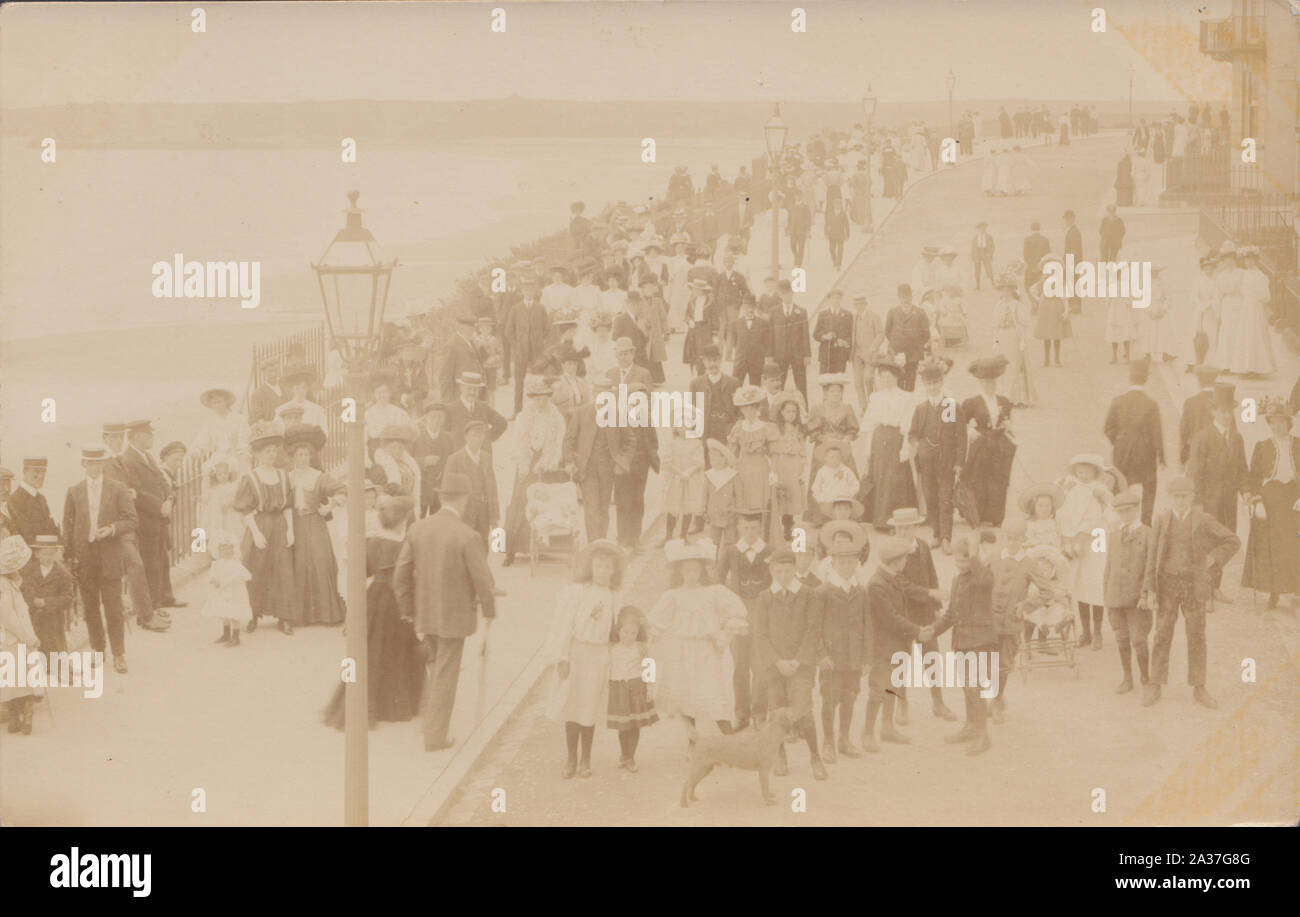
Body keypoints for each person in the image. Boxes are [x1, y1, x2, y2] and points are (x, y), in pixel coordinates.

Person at [394, 472, 498, 752]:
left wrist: (407, 610)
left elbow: (400, 575)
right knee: (445, 674)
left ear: (441, 497)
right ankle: (435, 736)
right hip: (454, 618)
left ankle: (430, 725)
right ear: (463, 499)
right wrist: (489, 610)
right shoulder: (468, 535)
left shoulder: (418, 529)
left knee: (434, 668)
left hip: (424, 615)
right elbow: (483, 581)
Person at [1143, 476, 1240, 708]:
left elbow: (1232, 540)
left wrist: (1212, 559)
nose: (1180, 500)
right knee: (1161, 634)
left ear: (1192, 496)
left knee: (1196, 636)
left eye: (1184, 495)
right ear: (1171, 497)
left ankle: (1199, 687)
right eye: (1176, 496)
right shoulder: (1162, 519)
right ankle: (1155, 684)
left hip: (1193, 586)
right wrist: (1149, 588)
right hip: (1167, 585)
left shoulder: (1203, 519)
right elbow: (1152, 556)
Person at [648, 538, 748, 738]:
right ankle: (694, 742)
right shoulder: (673, 596)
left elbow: (738, 612)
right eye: (687, 570)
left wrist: (722, 634)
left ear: (702, 571)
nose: (691, 574)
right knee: (687, 696)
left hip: (707, 651)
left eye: (695, 570)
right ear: (680, 573)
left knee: (714, 692)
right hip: (683, 652)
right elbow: (655, 622)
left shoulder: (713, 593)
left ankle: (728, 739)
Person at [543, 540, 625, 778]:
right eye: (598, 566)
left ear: (613, 570)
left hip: (598, 656)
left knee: (589, 707)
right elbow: (562, 627)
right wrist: (562, 658)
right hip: (577, 652)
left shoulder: (615, 596)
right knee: (572, 706)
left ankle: (586, 760)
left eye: (606, 566)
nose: (602, 571)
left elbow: (618, 630)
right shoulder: (576, 593)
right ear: (591, 567)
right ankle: (571, 759)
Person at [62, 444, 140, 673]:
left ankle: (119, 654)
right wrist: (70, 555)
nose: (94, 467)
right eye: (89, 462)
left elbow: (131, 519)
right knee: (91, 608)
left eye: (98, 462)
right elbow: (68, 524)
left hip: (110, 555)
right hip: (85, 557)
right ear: (83, 464)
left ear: (103, 464)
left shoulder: (117, 488)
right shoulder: (74, 491)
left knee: (113, 607)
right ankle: (98, 651)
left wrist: (112, 529)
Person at [752, 546, 828, 780]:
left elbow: (813, 631)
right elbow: (760, 635)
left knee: (803, 711)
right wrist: (777, 661)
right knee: (776, 712)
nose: (783, 576)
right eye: (778, 571)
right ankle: (780, 755)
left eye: (787, 570)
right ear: (772, 571)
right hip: (775, 668)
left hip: (801, 665)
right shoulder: (765, 598)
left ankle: (815, 757)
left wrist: (798, 660)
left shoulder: (808, 595)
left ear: (795, 569)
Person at [861, 536, 936, 750]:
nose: (905, 562)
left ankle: (887, 727)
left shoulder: (892, 577)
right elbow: (890, 617)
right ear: (895, 561)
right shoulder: (877, 584)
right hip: (883, 646)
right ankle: (867, 732)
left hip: (898, 643)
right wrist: (917, 631)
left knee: (892, 685)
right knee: (878, 689)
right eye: (904, 559)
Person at [931, 534, 995, 754]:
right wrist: (933, 630)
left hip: (979, 642)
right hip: (962, 641)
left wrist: (975, 555)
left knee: (974, 687)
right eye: (958, 561)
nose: (961, 565)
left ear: (975, 560)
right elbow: (950, 614)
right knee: (967, 687)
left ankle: (982, 735)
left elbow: (983, 580)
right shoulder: (957, 580)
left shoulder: (984, 576)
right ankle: (970, 726)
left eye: (965, 561)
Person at [235, 422, 299, 635]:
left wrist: (290, 530)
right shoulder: (250, 478)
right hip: (259, 525)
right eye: (267, 451)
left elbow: (288, 505)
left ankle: (285, 617)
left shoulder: (283, 475)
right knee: (256, 568)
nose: (271, 455)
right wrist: (255, 532)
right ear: (257, 454)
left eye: (274, 451)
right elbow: (245, 509)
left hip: (280, 524)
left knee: (283, 569)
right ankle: (253, 615)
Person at [814, 521, 869, 760]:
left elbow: (868, 628)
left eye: (851, 562)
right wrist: (821, 655)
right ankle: (827, 741)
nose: (847, 567)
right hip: (831, 658)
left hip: (853, 656)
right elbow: (813, 629)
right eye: (842, 562)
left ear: (857, 563)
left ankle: (844, 738)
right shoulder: (823, 592)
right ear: (833, 564)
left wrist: (866, 658)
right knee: (830, 699)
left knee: (850, 697)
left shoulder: (861, 591)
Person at [715, 511, 772, 731]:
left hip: (761, 615)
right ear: (739, 528)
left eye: (754, 528)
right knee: (740, 666)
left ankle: (760, 713)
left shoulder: (769, 552)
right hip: (737, 615)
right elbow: (718, 581)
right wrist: (724, 612)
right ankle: (742, 713)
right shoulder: (731, 551)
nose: (750, 532)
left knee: (760, 666)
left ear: (760, 529)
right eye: (746, 528)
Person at [1241, 397, 1300, 608]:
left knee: (1294, 544)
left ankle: (1296, 587)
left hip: (1294, 499)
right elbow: (1253, 477)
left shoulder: (1298, 444)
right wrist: (1255, 499)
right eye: (1273, 421)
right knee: (1272, 546)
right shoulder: (1262, 446)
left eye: (1281, 421)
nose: (1277, 426)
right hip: (1271, 499)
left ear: (1288, 422)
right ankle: (1273, 592)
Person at [502, 377, 567, 566]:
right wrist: (524, 461)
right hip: (527, 462)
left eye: (544, 398)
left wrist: (550, 460)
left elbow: (558, 443)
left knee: (544, 502)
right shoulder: (524, 416)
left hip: (546, 464)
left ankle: (543, 546)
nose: (541, 401)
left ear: (548, 398)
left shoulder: (556, 417)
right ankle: (511, 550)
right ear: (533, 399)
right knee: (520, 501)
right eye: (537, 398)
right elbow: (517, 441)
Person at [286, 434, 345, 626]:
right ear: (292, 457)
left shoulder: (318, 476)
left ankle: (326, 613)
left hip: (315, 522)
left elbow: (341, 490)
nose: (304, 458)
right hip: (294, 523)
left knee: (320, 561)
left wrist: (329, 507)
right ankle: (300, 615)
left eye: (307, 454)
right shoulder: (288, 477)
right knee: (299, 564)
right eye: (300, 455)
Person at [1186, 384, 1247, 565]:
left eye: (1230, 412)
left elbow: (1242, 470)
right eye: (1222, 412)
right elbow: (1194, 474)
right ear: (1213, 411)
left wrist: (1247, 493)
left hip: (1229, 503)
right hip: (1209, 504)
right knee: (1208, 544)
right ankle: (1208, 588)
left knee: (1225, 543)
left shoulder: (1237, 438)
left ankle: (1215, 587)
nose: (1227, 416)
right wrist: (1196, 504)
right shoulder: (1202, 437)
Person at [909, 355, 965, 553]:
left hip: (945, 460)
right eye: (929, 383)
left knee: (945, 498)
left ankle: (946, 537)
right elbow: (914, 433)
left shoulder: (949, 405)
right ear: (924, 384)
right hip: (926, 460)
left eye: (936, 382)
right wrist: (918, 445)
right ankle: (935, 533)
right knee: (930, 497)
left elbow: (956, 435)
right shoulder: (921, 408)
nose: (933, 387)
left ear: (942, 382)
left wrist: (958, 461)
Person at [1059, 454, 1112, 649]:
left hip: (1097, 537)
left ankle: (1098, 632)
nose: (1083, 475)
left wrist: (1103, 496)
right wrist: (1069, 538)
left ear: (1094, 473)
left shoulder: (1100, 490)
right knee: (1080, 584)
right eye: (1080, 472)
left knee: (1096, 584)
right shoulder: (1073, 490)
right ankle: (1086, 632)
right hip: (1078, 540)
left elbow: (1108, 511)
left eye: (1087, 472)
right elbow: (1065, 514)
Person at [1103, 489, 1153, 694]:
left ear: (1138, 509)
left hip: (1137, 598)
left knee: (1139, 640)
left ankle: (1146, 678)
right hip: (1116, 596)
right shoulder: (1113, 536)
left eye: (1129, 510)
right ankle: (1127, 678)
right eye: (1121, 511)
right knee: (1121, 638)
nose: (1125, 514)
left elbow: (1151, 567)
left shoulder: (1148, 534)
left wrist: (1146, 594)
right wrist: (1106, 594)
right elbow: (1109, 566)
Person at [1103, 359, 1165, 524]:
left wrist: (1119, 441)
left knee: (1120, 486)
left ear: (1130, 379)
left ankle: (1120, 521)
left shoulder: (1118, 401)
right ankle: (1146, 522)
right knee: (1149, 488)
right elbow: (1156, 433)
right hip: (1145, 455)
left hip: (1122, 453)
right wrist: (1161, 456)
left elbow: (1108, 428)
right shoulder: (1151, 404)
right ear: (1146, 380)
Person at [859, 357, 916, 530]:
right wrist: (868, 450)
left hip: (895, 439)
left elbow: (907, 424)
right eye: (882, 376)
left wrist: (905, 447)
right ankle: (880, 519)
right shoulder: (875, 397)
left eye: (889, 376)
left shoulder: (906, 397)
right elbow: (870, 425)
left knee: (894, 480)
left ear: (897, 377)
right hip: (878, 439)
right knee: (879, 478)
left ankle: (895, 519)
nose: (885, 380)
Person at [960, 355, 1016, 528]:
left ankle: (996, 516)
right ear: (980, 383)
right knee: (979, 479)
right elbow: (960, 424)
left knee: (999, 479)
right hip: (982, 445)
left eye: (992, 382)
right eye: (985, 382)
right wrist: (970, 431)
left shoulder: (1004, 401)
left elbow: (1007, 421)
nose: (989, 385)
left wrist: (1007, 425)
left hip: (999, 445)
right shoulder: (972, 402)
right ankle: (979, 514)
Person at [564, 380, 620, 544]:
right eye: (600, 394)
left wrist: (621, 462)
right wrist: (569, 461)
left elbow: (629, 441)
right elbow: (569, 440)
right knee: (591, 509)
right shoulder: (582, 413)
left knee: (603, 508)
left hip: (608, 470)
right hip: (586, 470)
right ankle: (593, 544)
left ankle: (601, 542)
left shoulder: (617, 415)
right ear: (594, 394)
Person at [607, 604, 657, 772]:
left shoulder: (641, 648)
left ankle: (631, 757)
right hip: (618, 689)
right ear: (618, 631)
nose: (629, 636)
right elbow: (607, 669)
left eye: (633, 633)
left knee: (635, 724)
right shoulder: (612, 649)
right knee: (623, 725)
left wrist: (650, 688)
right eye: (625, 632)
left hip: (637, 689)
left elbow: (649, 666)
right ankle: (623, 754)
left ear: (638, 634)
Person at [612, 381, 659, 551]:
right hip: (624, 468)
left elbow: (653, 440)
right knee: (623, 502)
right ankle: (623, 538)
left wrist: (649, 457)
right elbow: (614, 444)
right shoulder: (619, 418)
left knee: (638, 502)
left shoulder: (646, 419)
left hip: (641, 467)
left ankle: (635, 539)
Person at [0, 536, 39, 734]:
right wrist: (28, 637)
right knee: (16, 680)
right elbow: (9, 617)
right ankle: (18, 717)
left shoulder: (11, 584)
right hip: (12, 641)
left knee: (19, 680)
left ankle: (23, 718)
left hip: (17, 640)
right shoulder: (3, 586)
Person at [443, 419, 501, 547]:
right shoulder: (454, 459)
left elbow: (492, 486)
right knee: (464, 545)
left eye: (481, 435)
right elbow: (447, 489)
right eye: (474, 435)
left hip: (484, 510)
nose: (477, 439)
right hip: (464, 511)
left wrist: (495, 515)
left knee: (484, 544)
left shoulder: (486, 457)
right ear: (466, 437)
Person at [504, 277, 553, 415]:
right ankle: (517, 410)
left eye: (531, 290)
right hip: (521, 352)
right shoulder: (516, 308)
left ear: (534, 292)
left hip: (537, 352)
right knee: (519, 382)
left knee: (539, 381)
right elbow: (508, 331)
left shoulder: (540, 308)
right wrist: (516, 345)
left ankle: (538, 411)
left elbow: (548, 329)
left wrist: (540, 342)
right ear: (522, 292)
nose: (528, 292)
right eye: (526, 290)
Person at [20, 534, 74, 655]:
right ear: (37, 554)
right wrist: (32, 601)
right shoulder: (28, 571)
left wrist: (46, 602)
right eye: (45, 554)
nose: (48, 557)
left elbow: (68, 598)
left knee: (54, 652)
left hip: (53, 620)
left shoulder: (63, 574)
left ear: (55, 553)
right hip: (32, 617)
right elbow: (22, 591)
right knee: (33, 651)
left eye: (51, 554)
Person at [662, 411, 707, 542]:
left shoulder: (696, 443)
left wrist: (688, 472)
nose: (683, 428)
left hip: (690, 478)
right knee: (672, 506)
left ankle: (683, 535)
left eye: (686, 424)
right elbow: (667, 462)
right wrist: (679, 472)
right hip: (675, 478)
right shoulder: (672, 443)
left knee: (688, 506)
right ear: (675, 427)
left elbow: (699, 462)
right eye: (680, 425)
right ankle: (668, 536)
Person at [201, 533, 253, 647]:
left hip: (234, 592)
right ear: (218, 551)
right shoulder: (217, 563)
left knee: (234, 614)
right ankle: (226, 634)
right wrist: (213, 578)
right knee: (225, 613)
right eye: (223, 549)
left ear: (234, 551)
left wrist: (222, 582)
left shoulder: (236, 564)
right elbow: (213, 573)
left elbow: (237, 577)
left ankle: (236, 637)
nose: (226, 552)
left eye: (229, 549)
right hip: (223, 593)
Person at [769, 391, 807, 541]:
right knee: (778, 492)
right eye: (787, 411)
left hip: (794, 464)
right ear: (781, 412)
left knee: (791, 494)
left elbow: (802, 447)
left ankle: (788, 526)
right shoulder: (774, 428)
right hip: (780, 462)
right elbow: (771, 446)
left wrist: (803, 463)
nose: (790, 414)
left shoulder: (799, 429)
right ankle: (773, 526)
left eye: (793, 411)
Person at [994, 272, 1036, 405]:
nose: (1005, 292)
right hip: (1003, 337)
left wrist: (1023, 341)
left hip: (1015, 337)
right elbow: (995, 326)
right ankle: (1005, 396)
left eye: (1008, 289)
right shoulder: (998, 306)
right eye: (1002, 289)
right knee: (1004, 366)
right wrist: (995, 341)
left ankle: (1019, 398)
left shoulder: (1018, 305)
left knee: (1016, 366)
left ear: (1013, 289)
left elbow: (1023, 324)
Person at [412, 399, 454, 518]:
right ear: (426, 418)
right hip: (421, 489)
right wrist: (423, 461)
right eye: (433, 417)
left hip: (441, 490)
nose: (436, 420)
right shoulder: (416, 437)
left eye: (439, 417)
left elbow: (452, 463)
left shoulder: (449, 438)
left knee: (438, 523)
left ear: (444, 419)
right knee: (418, 522)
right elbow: (407, 461)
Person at [884, 284, 929, 392]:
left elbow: (926, 334)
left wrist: (916, 344)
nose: (905, 299)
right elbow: (887, 331)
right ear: (899, 297)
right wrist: (897, 344)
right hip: (897, 352)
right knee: (898, 380)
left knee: (910, 380)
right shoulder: (892, 312)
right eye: (902, 296)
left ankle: (909, 404)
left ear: (911, 297)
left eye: (907, 296)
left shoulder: (920, 312)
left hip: (913, 353)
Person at [771, 280, 812, 400]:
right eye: (783, 293)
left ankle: (804, 411)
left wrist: (807, 355)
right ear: (779, 295)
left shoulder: (801, 311)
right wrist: (770, 355)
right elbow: (771, 335)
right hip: (780, 354)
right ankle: (776, 411)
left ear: (793, 293)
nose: (786, 296)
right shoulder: (774, 311)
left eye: (788, 293)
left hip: (797, 354)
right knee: (778, 384)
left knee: (801, 385)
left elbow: (805, 334)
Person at [192, 387, 249, 465]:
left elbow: (243, 439)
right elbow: (203, 439)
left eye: (219, 401)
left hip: (236, 456)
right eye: (214, 403)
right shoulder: (210, 422)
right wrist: (197, 451)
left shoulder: (239, 419)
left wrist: (242, 453)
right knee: (207, 468)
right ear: (211, 405)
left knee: (234, 465)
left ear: (226, 402)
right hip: (218, 456)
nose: (217, 405)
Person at [8, 457, 58, 545]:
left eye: (43, 472)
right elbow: (24, 535)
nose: (41, 476)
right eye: (36, 471)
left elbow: (51, 528)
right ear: (25, 471)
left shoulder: (41, 498)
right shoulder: (14, 499)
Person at [850, 294, 885, 410]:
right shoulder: (854, 317)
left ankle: (872, 405)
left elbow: (880, 333)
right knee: (858, 382)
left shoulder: (874, 316)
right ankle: (863, 407)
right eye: (856, 304)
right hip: (856, 355)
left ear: (865, 304)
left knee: (868, 379)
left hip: (870, 354)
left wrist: (873, 347)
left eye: (861, 304)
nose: (859, 306)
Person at [729, 294, 772, 386]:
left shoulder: (763, 323)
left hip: (756, 362)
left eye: (752, 306)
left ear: (755, 307)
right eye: (747, 306)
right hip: (740, 362)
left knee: (756, 388)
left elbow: (766, 343)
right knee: (735, 387)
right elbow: (735, 344)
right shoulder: (735, 324)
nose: (750, 310)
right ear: (743, 307)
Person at [813, 289, 854, 375]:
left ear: (841, 299)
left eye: (838, 298)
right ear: (829, 300)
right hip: (826, 354)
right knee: (825, 381)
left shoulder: (848, 314)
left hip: (840, 355)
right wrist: (825, 336)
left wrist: (845, 342)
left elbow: (851, 334)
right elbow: (816, 334)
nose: (836, 300)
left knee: (839, 381)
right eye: (833, 298)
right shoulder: (823, 314)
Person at [249, 357, 289, 424]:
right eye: (270, 371)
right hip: (272, 431)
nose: (273, 374)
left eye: (276, 370)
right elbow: (254, 419)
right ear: (264, 373)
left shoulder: (286, 389)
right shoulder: (258, 394)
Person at [1062, 209, 1083, 315]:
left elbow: (1075, 250)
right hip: (1071, 262)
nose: (1066, 221)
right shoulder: (1071, 230)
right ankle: (1073, 305)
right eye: (1065, 219)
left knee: (1074, 283)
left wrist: (1071, 264)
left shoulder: (1074, 232)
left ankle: (1075, 306)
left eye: (1068, 219)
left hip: (1073, 263)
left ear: (1072, 219)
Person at [1021, 223, 1050, 290]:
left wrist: (1032, 266)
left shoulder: (1027, 240)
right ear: (1039, 229)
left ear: (1031, 229)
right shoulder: (1045, 240)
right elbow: (1047, 256)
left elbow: (1025, 255)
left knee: (1029, 289)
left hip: (1031, 269)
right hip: (1041, 270)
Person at [970, 222, 995, 291]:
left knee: (989, 269)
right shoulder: (975, 237)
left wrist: (989, 254)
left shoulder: (988, 237)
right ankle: (977, 286)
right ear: (978, 229)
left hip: (985, 253)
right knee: (977, 271)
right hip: (977, 254)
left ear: (985, 228)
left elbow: (992, 247)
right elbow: (973, 248)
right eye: (980, 228)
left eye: (984, 227)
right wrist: (973, 256)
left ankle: (993, 283)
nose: (982, 229)